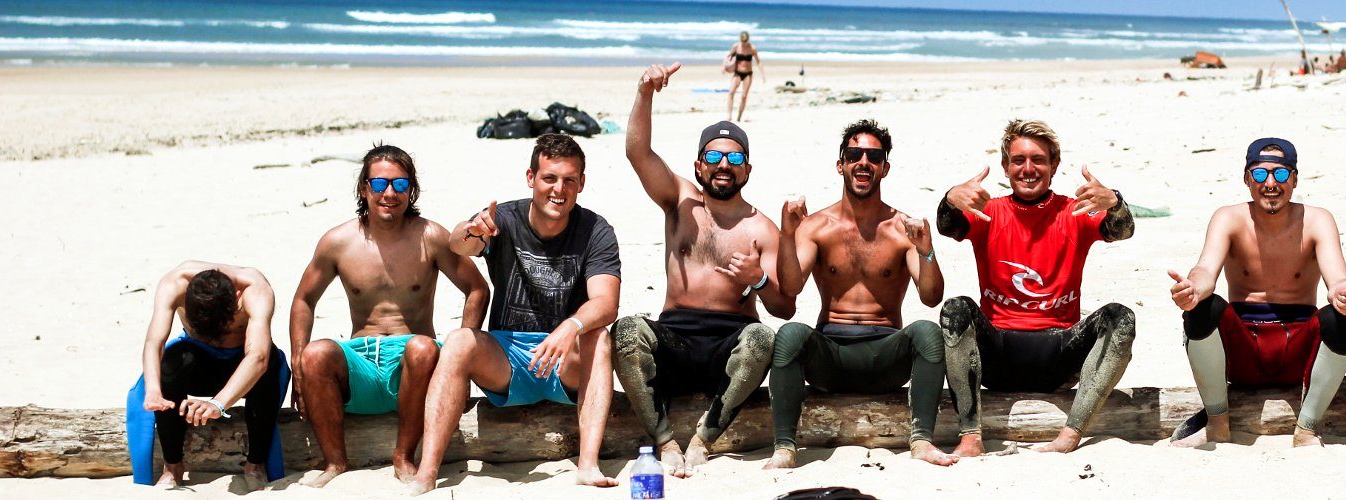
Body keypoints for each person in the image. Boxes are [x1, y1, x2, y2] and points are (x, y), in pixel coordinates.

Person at [409, 134, 622, 494]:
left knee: (599, 337)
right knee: (459, 339)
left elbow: (606, 303)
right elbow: (459, 244)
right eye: (549, 178)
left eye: (569, 180)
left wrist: (571, 326)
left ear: (581, 183)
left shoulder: (595, 230)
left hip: (563, 360)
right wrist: (471, 230)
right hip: (506, 360)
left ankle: (587, 465)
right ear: (531, 178)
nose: (559, 189)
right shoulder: (503, 218)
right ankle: (426, 473)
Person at [615, 62, 795, 477]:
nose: (723, 164)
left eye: (734, 158)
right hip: (674, 337)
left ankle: (703, 439)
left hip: (728, 345)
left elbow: (785, 307)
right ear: (699, 166)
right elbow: (636, 153)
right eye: (713, 155)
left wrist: (759, 280)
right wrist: (644, 92)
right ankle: (665, 441)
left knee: (763, 338)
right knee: (625, 331)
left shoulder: (763, 229)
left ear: (747, 170)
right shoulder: (680, 199)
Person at [1167, 138, 1346, 448]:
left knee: (1342, 320)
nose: (1270, 183)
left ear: (1295, 178)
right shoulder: (1228, 218)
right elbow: (1205, 270)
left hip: (1299, 352)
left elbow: (1338, 281)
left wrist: (1343, 295)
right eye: (1260, 175)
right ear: (1247, 179)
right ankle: (1218, 423)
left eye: (1281, 174)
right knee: (1202, 309)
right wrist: (1192, 289)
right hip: (1243, 351)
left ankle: (1307, 429)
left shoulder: (1317, 220)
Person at [287, 144, 490, 487]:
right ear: (364, 188)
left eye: (400, 184)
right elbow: (304, 300)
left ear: (412, 189)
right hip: (359, 364)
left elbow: (477, 289)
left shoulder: (432, 237)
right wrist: (298, 365)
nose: (390, 193)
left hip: (412, 365)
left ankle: (403, 457)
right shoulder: (338, 242)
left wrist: (460, 358)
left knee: (424, 348)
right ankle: (335, 462)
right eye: (380, 185)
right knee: (315, 354)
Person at [936, 119, 1137, 454]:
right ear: (1005, 166)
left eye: (1038, 160)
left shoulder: (1074, 211)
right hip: (998, 355)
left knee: (1122, 318)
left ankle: (1070, 434)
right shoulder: (989, 211)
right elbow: (947, 226)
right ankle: (970, 437)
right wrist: (950, 199)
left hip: (1059, 354)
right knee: (955, 308)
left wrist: (1115, 201)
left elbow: (1124, 230)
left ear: (1054, 165)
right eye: (1018, 161)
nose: (1028, 169)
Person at [765, 119, 956, 468]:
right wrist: (787, 236)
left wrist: (927, 251)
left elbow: (931, 297)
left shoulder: (903, 229)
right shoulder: (815, 227)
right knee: (789, 335)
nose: (863, 162)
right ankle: (784, 448)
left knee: (928, 331)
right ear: (841, 164)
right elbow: (791, 288)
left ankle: (922, 441)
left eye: (873, 156)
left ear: (885, 168)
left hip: (885, 355)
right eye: (854, 154)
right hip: (831, 354)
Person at [137, 261, 283, 490]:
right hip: (201, 361)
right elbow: (154, 343)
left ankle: (255, 464)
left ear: (236, 297)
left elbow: (258, 357)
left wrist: (218, 404)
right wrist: (153, 390)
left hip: (243, 364)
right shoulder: (174, 284)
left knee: (271, 364)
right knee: (170, 363)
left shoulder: (255, 289)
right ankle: (173, 466)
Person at [726, 31, 761, 122]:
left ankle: (739, 117)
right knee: (731, 92)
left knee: (744, 96)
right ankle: (729, 115)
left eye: (745, 41)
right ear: (740, 40)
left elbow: (758, 61)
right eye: (743, 41)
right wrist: (725, 67)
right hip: (737, 73)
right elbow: (728, 56)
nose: (744, 43)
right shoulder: (736, 46)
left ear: (748, 40)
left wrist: (763, 74)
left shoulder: (752, 48)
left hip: (748, 74)